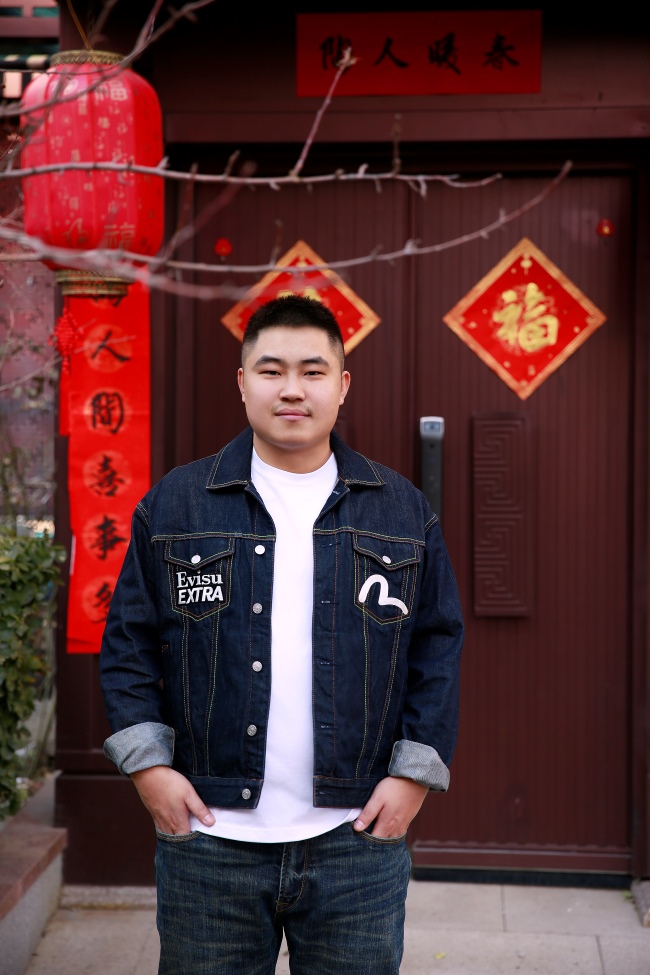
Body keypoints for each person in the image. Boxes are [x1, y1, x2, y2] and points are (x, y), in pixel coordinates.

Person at [100, 294, 463, 975]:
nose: (292, 389)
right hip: (210, 841)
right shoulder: (177, 504)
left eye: (312, 371)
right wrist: (149, 770)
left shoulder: (399, 510)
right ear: (242, 383)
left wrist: (413, 776)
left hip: (354, 840)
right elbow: (128, 645)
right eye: (271, 370)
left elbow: (436, 647)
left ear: (342, 385)